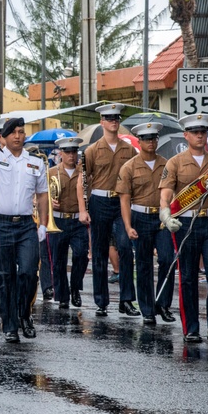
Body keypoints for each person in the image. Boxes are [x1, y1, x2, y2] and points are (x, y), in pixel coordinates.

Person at [0, 102, 47, 343]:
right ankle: (10, 325)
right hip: (1, 225)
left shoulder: (36, 162)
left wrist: (43, 224)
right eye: (13, 132)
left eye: (21, 131)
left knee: (28, 273)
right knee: (3, 277)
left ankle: (24, 314)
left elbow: (42, 195)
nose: (18, 135)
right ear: (4, 136)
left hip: (26, 226)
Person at [159, 114, 208, 343]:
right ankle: (191, 328)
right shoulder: (175, 162)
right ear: (186, 135)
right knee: (188, 277)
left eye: (203, 131)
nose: (199, 135)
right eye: (194, 132)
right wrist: (166, 215)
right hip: (186, 224)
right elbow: (166, 194)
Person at [78, 103, 138, 317]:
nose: (114, 122)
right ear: (102, 122)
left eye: (116, 119)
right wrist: (82, 209)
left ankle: (126, 300)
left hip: (120, 203)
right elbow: (82, 181)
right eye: (110, 118)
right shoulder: (91, 150)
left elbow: (134, 179)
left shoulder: (129, 149)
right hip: (99, 202)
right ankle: (101, 301)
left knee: (124, 248)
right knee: (100, 252)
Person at [119, 123, 174, 325]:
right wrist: (127, 226)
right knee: (143, 265)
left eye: (154, 138)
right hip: (139, 217)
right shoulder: (129, 167)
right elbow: (124, 199)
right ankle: (147, 309)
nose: (151, 142)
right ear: (139, 141)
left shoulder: (167, 164)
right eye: (147, 139)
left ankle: (163, 304)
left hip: (161, 218)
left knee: (168, 259)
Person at [47, 136, 88, 310]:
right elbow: (39, 195)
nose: (71, 155)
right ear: (61, 153)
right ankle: (62, 295)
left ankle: (75, 288)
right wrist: (50, 200)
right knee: (58, 260)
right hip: (58, 219)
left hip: (78, 219)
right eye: (68, 152)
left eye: (74, 152)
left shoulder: (84, 173)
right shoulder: (51, 172)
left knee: (81, 255)